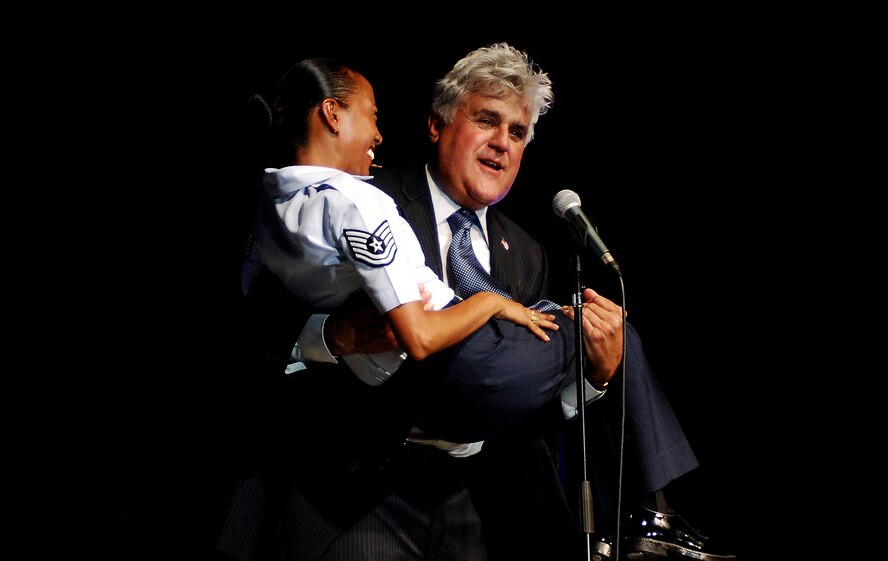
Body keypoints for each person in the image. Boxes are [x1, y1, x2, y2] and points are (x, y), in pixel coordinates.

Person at [217, 44, 735, 560]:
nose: (502, 143)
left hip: (480, 499)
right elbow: (252, 316)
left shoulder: (528, 255)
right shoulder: (365, 193)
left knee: (604, 331)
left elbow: (515, 395)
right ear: (437, 125)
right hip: (359, 489)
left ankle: (646, 510)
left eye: (517, 133)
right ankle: (653, 507)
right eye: (487, 120)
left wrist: (595, 380)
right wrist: (329, 337)